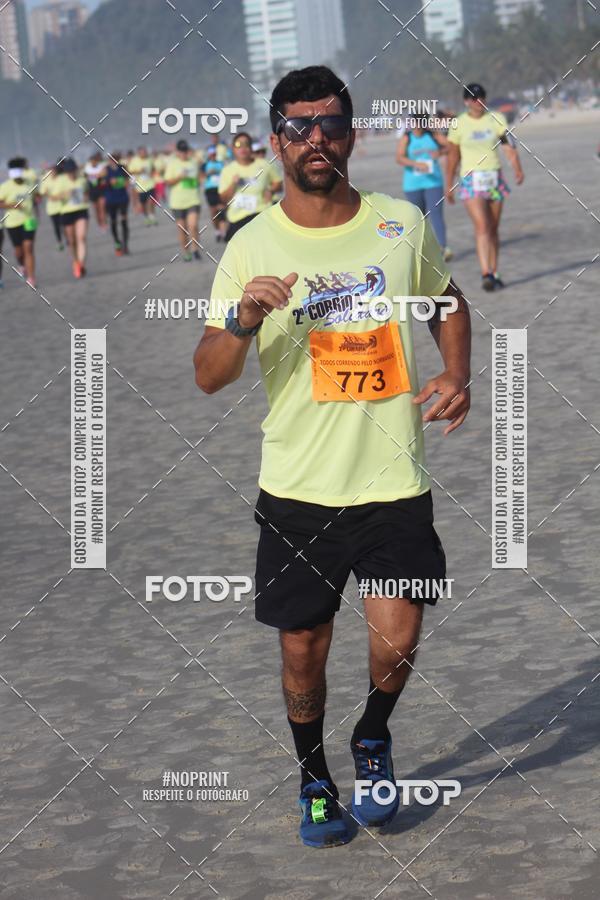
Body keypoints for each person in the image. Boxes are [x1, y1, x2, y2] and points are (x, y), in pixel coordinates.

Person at [194, 66, 471, 848]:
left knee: (399, 637)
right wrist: (244, 321)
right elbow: (208, 375)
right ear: (277, 140)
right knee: (304, 649)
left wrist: (458, 374)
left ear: (353, 132)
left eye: (330, 123)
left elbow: (447, 303)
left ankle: (373, 737)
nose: (316, 138)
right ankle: (315, 780)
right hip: (298, 489)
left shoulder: (398, 225)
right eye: (298, 126)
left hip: (392, 482)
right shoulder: (252, 246)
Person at [445, 83, 524, 291]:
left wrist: (517, 167)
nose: (478, 102)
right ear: (466, 102)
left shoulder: (496, 118)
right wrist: (449, 184)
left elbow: (508, 145)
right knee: (482, 226)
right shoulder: (458, 124)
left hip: (494, 178)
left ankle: (495, 271)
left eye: (481, 97)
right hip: (471, 181)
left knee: (493, 228)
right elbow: (453, 155)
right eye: (473, 98)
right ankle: (485, 273)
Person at [396, 117, 452, 260]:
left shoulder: (433, 134)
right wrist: (416, 164)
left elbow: (449, 146)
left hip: (433, 183)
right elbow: (399, 158)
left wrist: (440, 152)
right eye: (416, 122)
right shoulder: (407, 137)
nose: (419, 126)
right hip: (413, 185)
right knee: (418, 218)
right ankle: (420, 250)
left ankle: (443, 248)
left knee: (436, 215)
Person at [218, 132, 282, 241]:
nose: (243, 148)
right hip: (238, 218)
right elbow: (223, 199)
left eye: (246, 144)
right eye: (238, 145)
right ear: (233, 149)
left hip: (261, 214)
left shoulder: (265, 164)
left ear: (251, 147)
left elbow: (279, 184)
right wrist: (233, 184)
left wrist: (271, 190)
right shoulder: (227, 170)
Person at [0, 157, 38, 288]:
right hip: (12, 223)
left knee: (29, 247)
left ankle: (32, 278)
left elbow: (36, 196)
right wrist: (12, 205)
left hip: (29, 220)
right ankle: (21, 265)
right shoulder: (5, 187)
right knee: (19, 251)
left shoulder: (29, 183)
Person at [164, 139, 202, 261]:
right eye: (181, 151)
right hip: (177, 202)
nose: (184, 154)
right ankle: (186, 251)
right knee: (182, 229)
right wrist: (179, 177)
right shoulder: (172, 164)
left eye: (186, 151)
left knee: (193, 225)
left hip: (193, 199)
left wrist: (198, 181)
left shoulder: (193, 162)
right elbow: (168, 182)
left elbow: (198, 178)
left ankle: (195, 249)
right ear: (177, 152)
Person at [52, 157, 89, 278]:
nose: (72, 174)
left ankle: (81, 264)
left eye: (73, 171)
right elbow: (53, 197)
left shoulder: (81, 179)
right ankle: (76, 261)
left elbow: (86, 192)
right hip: (66, 213)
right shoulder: (60, 180)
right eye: (69, 172)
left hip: (81, 210)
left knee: (81, 237)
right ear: (66, 171)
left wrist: (85, 197)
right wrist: (64, 194)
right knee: (72, 241)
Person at [104, 152, 130, 256]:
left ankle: (125, 245)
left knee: (124, 221)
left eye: (115, 159)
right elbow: (99, 182)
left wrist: (124, 182)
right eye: (111, 159)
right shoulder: (106, 170)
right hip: (111, 200)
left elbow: (128, 180)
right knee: (113, 221)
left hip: (122, 198)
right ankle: (117, 242)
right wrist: (108, 182)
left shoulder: (122, 168)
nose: (113, 161)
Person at [201, 145, 228, 241]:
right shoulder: (205, 165)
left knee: (222, 211)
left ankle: (223, 233)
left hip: (220, 189)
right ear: (209, 155)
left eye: (214, 154)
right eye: (211, 154)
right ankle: (217, 230)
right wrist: (208, 173)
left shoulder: (221, 163)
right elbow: (200, 177)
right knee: (214, 212)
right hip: (210, 190)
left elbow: (226, 174)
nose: (213, 156)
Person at [39, 161, 65, 251]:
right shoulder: (45, 178)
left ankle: (68, 239)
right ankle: (59, 241)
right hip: (52, 208)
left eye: (55, 170)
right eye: (52, 170)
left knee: (64, 224)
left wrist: (60, 196)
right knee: (56, 226)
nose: (53, 172)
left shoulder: (62, 178)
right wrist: (48, 195)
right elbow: (42, 192)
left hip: (63, 206)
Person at [129, 146, 157, 225]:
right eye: (142, 152)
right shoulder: (134, 160)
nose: (144, 154)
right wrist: (139, 171)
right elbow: (130, 171)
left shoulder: (149, 159)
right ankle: (146, 217)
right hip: (140, 186)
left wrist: (153, 173)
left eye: (145, 152)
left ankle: (152, 216)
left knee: (151, 200)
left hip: (150, 184)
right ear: (139, 153)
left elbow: (153, 168)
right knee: (143, 204)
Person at [84, 152, 108, 230]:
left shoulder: (101, 166)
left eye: (95, 160)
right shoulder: (87, 168)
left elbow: (104, 173)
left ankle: (104, 223)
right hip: (92, 191)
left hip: (101, 190)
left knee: (102, 208)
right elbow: (86, 177)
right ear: (90, 161)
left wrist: (94, 176)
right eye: (92, 161)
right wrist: (97, 175)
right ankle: (99, 223)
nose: (94, 162)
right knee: (96, 209)